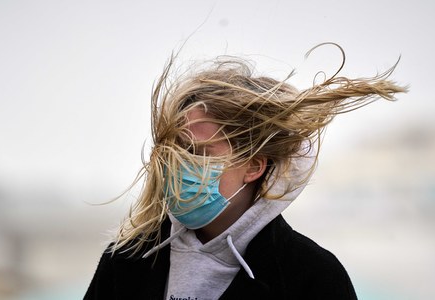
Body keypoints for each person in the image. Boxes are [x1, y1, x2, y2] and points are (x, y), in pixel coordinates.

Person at [84, 45, 407, 300]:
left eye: (199, 153)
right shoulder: (127, 260)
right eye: (174, 150)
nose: (179, 165)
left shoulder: (310, 277)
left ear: (254, 165)